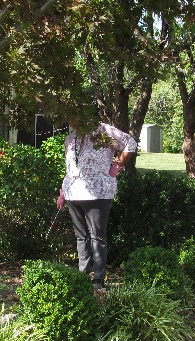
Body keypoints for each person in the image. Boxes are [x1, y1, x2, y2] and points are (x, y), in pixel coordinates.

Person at [57, 119, 137, 291]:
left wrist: (118, 166)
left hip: (98, 193)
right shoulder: (70, 139)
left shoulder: (104, 131)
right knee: (81, 237)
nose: (72, 120)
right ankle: (82, 276)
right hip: (73, 194)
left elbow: (130, 143)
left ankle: (98, 279)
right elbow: (69, 168)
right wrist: (62, 194)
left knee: (97, 237)